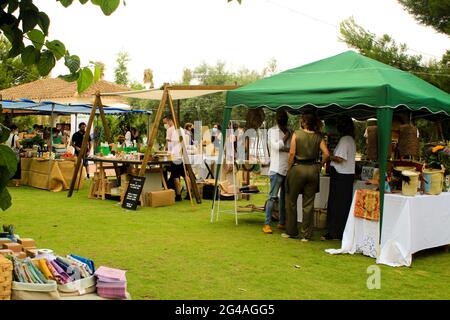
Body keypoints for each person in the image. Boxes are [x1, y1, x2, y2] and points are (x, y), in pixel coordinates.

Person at [283, 110, 330, 242]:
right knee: (309, 204)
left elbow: (292, 153)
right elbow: (326, 154)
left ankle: (291, 231)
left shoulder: (296, 134)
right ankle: (306, 235)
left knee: (291, 201)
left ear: (304, 121)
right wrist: (320, 165)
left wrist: (289, 168)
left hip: (297, 169)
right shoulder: (319, 136)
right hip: (313, 170)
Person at [322, 116, 356, 241]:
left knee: (336, 205)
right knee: (343, 205)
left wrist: (328, 156)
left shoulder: (345, 140)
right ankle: (340, 231)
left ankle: (333, 232)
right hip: (347, 175)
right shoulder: (351, 139)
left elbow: (340, 159)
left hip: (341, 175)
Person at [262, 110, 291, 234]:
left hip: (287, 168)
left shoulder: (290, 131)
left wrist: (285, 147)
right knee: (272, 197)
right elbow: (276, 147)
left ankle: (282, 222)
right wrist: (285, 138)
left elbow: (291, 148)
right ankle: (267, 224)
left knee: (284, 197)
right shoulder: (272, 131)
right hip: (276, 168)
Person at [163, 114, 188, 201]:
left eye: (166, 122)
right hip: (183, 155)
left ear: (170, 121)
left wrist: (167, 151)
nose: (166, 124)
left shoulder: (171, 130)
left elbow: (169, 144)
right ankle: (189, 193)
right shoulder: (181, 129)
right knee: (185, 175)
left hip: (175, 156)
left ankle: (178, 195)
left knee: (175, 176)